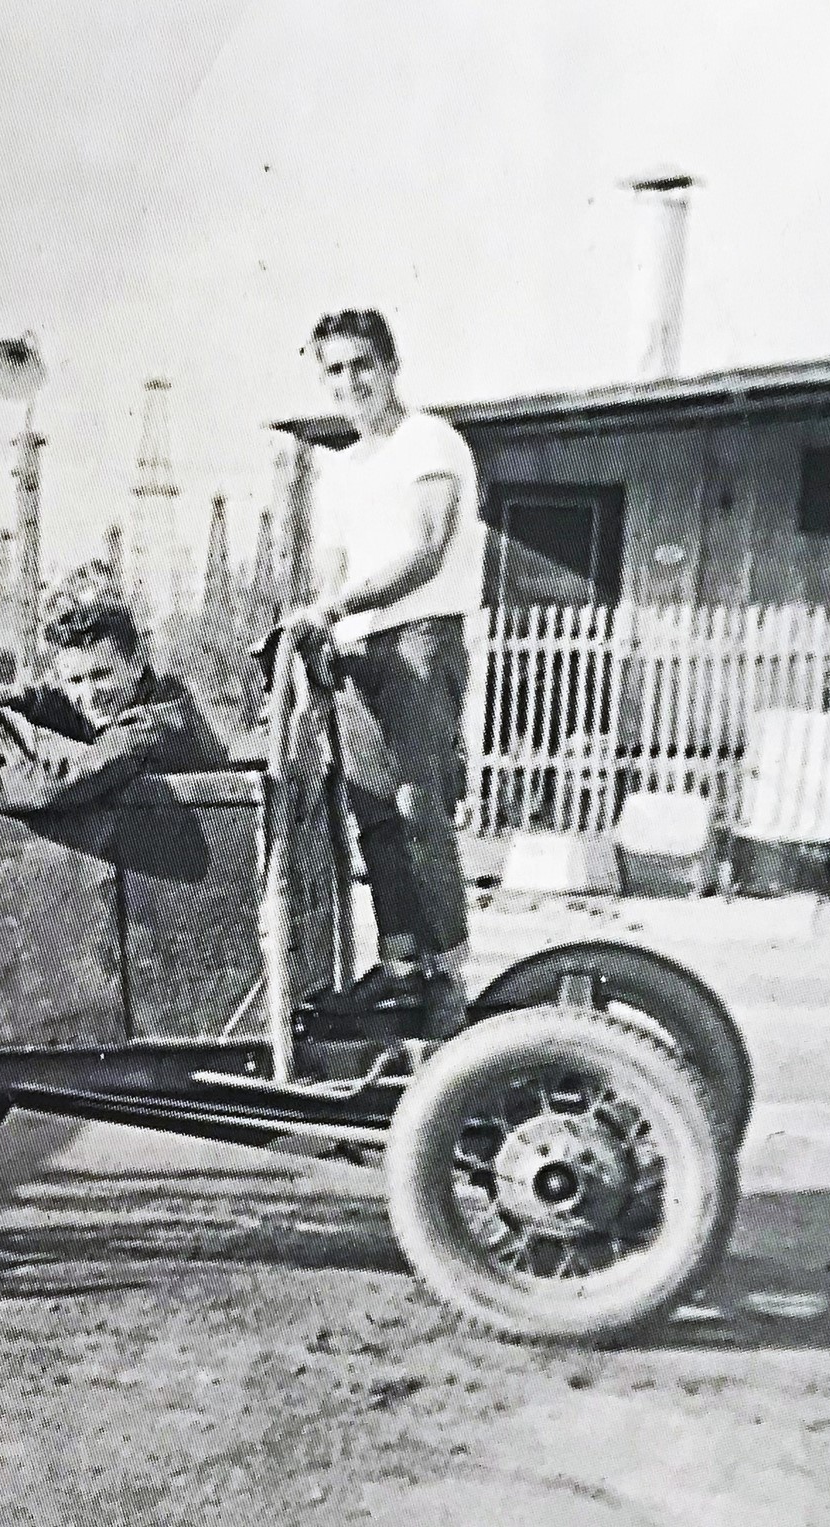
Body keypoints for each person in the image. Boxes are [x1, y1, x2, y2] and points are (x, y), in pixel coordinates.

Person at [284, 308, 483, 1038]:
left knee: (414, 804)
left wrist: (338, 604)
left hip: (420, 638)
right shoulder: (340, 467)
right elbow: (333, 567)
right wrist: (324, 625)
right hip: (359, 646)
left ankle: (449, 969)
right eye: (333, 369)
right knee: (370, 808)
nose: (349, 381)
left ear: (391, 365)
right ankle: (399, 965)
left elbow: (428, 549)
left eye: (361, 364)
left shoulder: (428, 440)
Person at [0, 583, 228, 826]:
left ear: (138, 661)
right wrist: (19, 696)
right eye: (75, 680)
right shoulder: (146, 695)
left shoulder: (156, 723)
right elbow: (81, 713)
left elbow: (62, 781)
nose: (89, 694)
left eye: (101, 675)